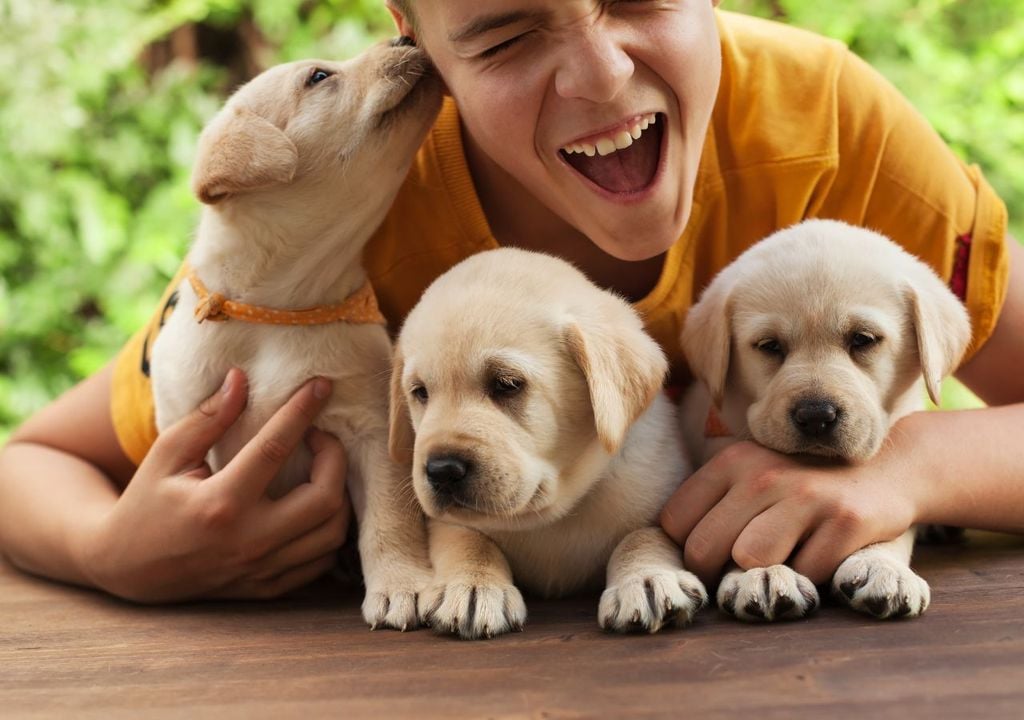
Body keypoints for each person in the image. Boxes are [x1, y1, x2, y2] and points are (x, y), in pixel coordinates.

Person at [1, 0, 1021, 602]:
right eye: (501, 39)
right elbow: (31, 464)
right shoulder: (361, 199)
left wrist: (916, 463)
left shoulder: (829, 128)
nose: (600, 73)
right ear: (416, 41)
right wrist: (109, 550)